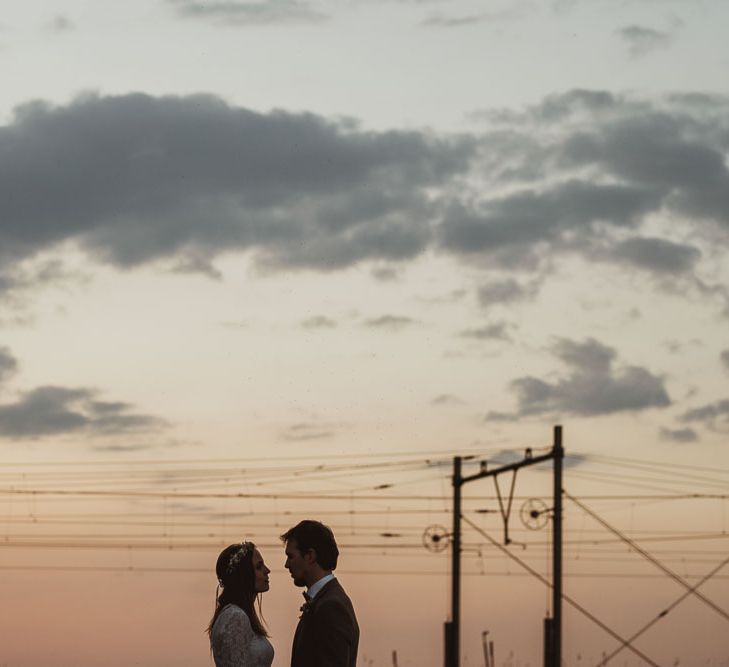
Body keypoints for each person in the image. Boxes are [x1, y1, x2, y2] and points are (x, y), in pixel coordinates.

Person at [281, 520, 359, 667]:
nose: (286, 564)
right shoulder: (327, 600)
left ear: (310, 556)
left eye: (291, 556)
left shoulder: (331, 606)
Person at [208, 541, 274, 667]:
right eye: (259, 567)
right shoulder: (235, 617)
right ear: (244, 573)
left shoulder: (237, 614)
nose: (267, 570)